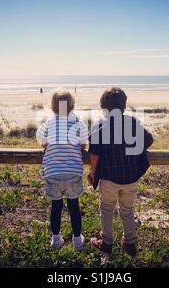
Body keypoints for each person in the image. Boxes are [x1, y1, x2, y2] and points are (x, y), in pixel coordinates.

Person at [87, 87, 153, 257]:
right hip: (130, 177)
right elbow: (148, 139)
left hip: (109, 179)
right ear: (124, 106)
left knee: (107, 208)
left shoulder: (99, 126)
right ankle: (130, 243)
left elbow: (94, 152)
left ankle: (107, 242)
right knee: (127, 209)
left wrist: (93, 173)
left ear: (103, 107)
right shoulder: (132, 122)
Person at [36, 90, 88, 250]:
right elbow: (84, 143)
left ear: (52, 108)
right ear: (72, 107)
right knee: (74, 206)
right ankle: (77, 240)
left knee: (56, 207)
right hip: (73, 171)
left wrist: (50, 145)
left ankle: (56, 239)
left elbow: (40, 140)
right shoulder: (78, 123)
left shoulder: (49, 123)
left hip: (53, 172)